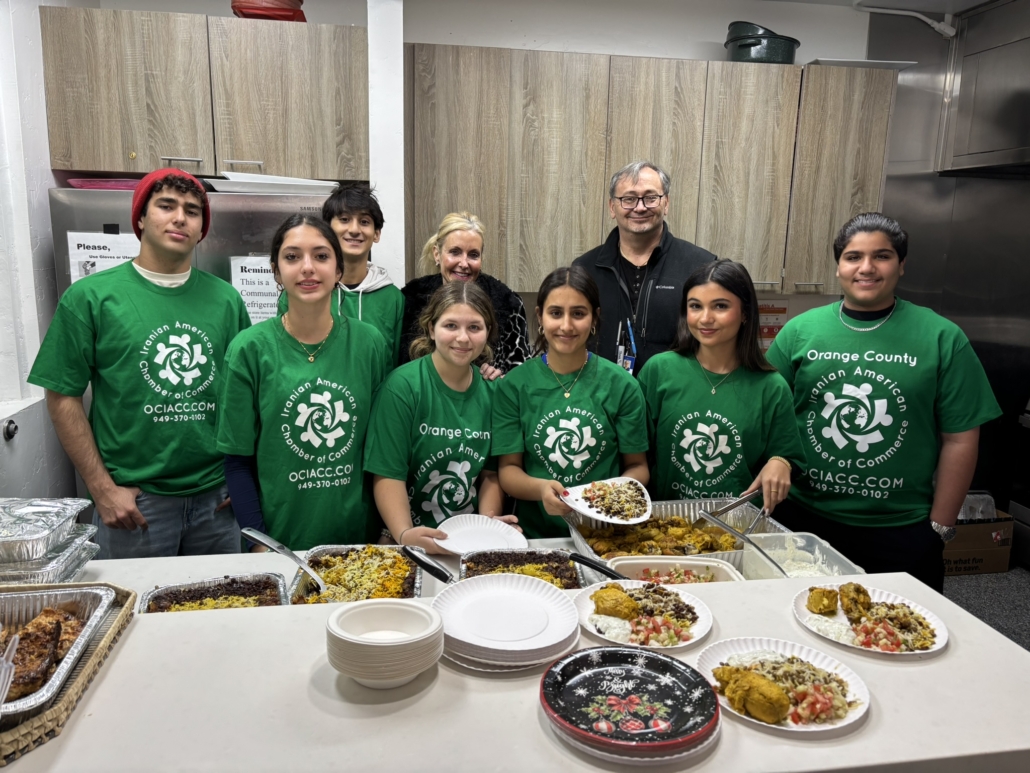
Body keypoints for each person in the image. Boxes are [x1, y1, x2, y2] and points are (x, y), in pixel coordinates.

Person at [766, 213, 1001, 592]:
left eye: (882, 256)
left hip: (901, 529)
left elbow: (961, 439)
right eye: (853, 256)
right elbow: (770, 416)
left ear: (902, 264)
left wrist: (939, 527)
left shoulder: (942, 337)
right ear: (839, 265)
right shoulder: (800, 331)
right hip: (803, 521)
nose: (867, 268)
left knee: (895, 639)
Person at [28, 168, 251, 558]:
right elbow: (62, 396)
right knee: (132, 615)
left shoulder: (227, 300)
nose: (180, 217)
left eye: (193, 211)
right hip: (135, 504)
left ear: (201, 229)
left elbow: (244, 397)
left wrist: (243, 478)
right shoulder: (91, 298)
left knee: (222, 613)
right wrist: (102, 489)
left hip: (218, 500)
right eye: (166, 206)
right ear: (141, 219)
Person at [217, 214, 390, 550]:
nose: (308, 267)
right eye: (293, 257)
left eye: (322, 256)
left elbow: (383, 450)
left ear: (338, 270)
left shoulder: (369, 343)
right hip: (279, 544)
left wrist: (386, 530)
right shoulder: (249, 349)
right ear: (276, 271)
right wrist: (258, 541)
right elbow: (237, 461)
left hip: (360, 540)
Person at [492, 266, 649, 539]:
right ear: (539, 316)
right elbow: (508, 471)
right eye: (556, 313)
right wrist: (541, 488)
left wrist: (602, 494)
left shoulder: (622, 385)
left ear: (595, 318)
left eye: (578, 313)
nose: (566, 325)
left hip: (607, 534)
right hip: (537, 538)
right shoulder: (513, 386)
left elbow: (638, 467)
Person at [365, 282, 518, 555]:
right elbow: (387, 474)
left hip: (467, 540)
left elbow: (491, 474)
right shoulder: (402, 387)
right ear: (431, 329)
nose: (463, 338)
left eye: (474, 327)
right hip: (409, 537)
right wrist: (404, 533)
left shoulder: (494, 392)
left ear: (487, 333)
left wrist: (488, 524)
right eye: (450, 326)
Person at [638, 261, 804, 511]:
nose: (705, 318)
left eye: (720, 306)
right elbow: (634, 450)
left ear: (745, 312)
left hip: (738, 525)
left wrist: (781, 462)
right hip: (665, 523)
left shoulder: (771, 387)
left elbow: (789, 455)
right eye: (695, 306)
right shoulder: (659, 370)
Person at [572, 160, 715, 375]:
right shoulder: (584, 269)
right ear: (612, 207)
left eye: (650, 198)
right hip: (603, 398)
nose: (639, 207)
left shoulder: (702, 266)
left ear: (666, 203)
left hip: (675, 398)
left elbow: (717, 340)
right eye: (628, 199)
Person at [278, 184, 405, 365]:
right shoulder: (303, 290)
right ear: (327, 229)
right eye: (344, 219)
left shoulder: (393, 298)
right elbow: (286, 358)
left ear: (376, 234)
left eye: (364, 222)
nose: (354, 229)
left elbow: (394, 365)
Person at [400, 212, 529, 379]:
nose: (464, 263)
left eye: (473, 255)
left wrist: (502, 380)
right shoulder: (410, 298)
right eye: (455, 252)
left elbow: (522, 379)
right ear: (437, 254)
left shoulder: (508, 303)